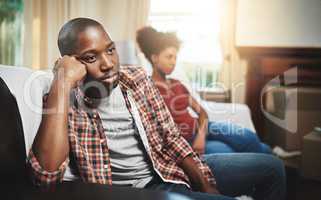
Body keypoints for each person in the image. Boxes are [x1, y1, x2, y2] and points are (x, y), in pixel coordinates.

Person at [28, 18, 285, 200]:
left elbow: (171, 137)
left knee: (272, 167)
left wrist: (203, 184)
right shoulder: (63, 101)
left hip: (169, 167)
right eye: (91, 57)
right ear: (72, 62)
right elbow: (45, 178)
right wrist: (62, 82)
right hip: (142, 190)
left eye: (110, 50)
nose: (108, 64)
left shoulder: (136, 79)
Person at [136, 26, 271, 155]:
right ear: (154, 58)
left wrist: (201, 135)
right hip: (185, 138)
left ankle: (266, 161)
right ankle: (266, 161)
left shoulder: (177, 84)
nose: (173, 62)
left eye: (175, 57)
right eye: (169, 57)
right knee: (230, 152)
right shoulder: (148, 87)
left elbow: (202, 113)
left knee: (249, 137)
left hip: (204, 128)